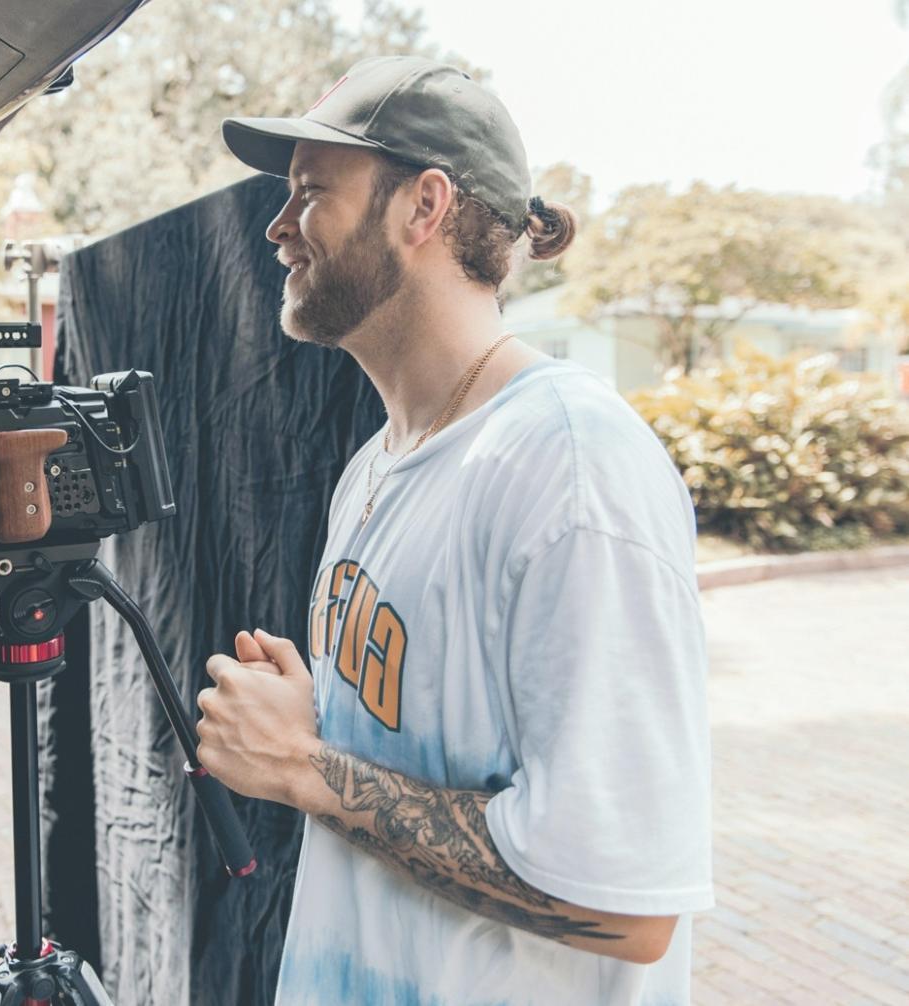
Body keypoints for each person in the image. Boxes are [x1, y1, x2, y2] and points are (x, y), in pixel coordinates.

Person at [192, 56, 713, 1005]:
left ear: (422, 207)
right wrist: (327, 727)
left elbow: (627, 913)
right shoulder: (378, 459)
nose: (275, 227)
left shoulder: (571, 464)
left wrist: (305, 767)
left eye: (309, 193)